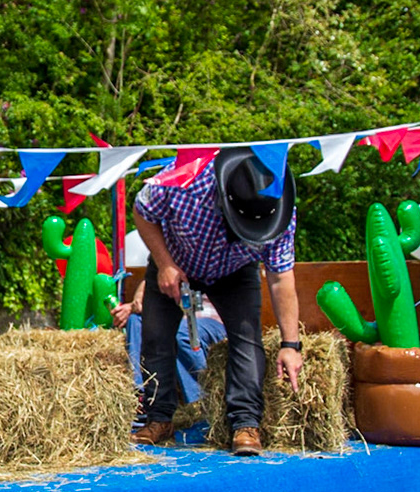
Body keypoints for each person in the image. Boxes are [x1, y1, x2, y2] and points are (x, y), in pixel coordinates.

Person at [129, 150, 305, 457]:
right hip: (175, 260)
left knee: (247, 339)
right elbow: (142, 211)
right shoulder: (183, 181)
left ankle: (246, 424)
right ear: (222, 200)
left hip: (235, 273)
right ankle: (159, 419)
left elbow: (280, 279)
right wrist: (165, 263)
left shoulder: (280, 213)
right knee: (155, 337)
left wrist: (291, 344)